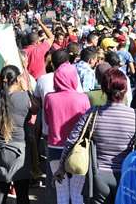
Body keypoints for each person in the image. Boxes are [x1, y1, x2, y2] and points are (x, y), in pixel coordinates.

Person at [55, 68, 136, 204]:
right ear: (125, 90)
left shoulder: (93, 114)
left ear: (104, 89)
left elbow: (72, 140)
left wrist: (61, 167)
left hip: (98, 178)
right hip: (127, 177)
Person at [0, 65, 38, 204]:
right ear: (17, 79)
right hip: (19, 150)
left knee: (1, 190)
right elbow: (35, 108)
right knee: (22, 193)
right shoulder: (23, 97)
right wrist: (27, 89)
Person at [44, 62, 91, 204]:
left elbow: (47, 122)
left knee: (62, 193)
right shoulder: (83, 98)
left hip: (55, 149)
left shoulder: (49, 98)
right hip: (78, 151)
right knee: (77, 194)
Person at [23, 14, 55, 79]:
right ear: (38, 41)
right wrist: (40, 23)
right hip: (41, 80)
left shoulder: (22, 52)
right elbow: (51, 37)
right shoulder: (41, 48)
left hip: (28, 82)